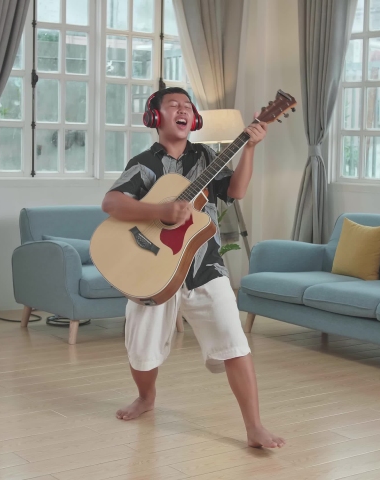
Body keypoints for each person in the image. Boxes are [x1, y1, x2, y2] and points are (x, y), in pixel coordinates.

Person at [101, 87, 285, 449]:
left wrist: (250, 148)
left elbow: (235, 191)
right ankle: (146, 397)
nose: (183, 110)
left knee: (235, 341)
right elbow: (112, 202)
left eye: (188, 106)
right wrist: (159, 211)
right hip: (152, 269)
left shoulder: (207, 157)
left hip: (205, 265)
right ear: (155, 117)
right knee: (143, 350)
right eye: (174, 105)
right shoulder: (145, 163)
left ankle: (254, 427)